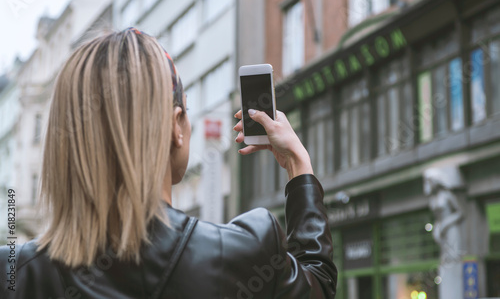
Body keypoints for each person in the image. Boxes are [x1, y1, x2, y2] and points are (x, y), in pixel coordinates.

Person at [0, 28, 337, 298]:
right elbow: (318, 283)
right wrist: (297, 164)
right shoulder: (244, 252)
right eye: (187, 110)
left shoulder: (13, 272)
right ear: (176, 125)